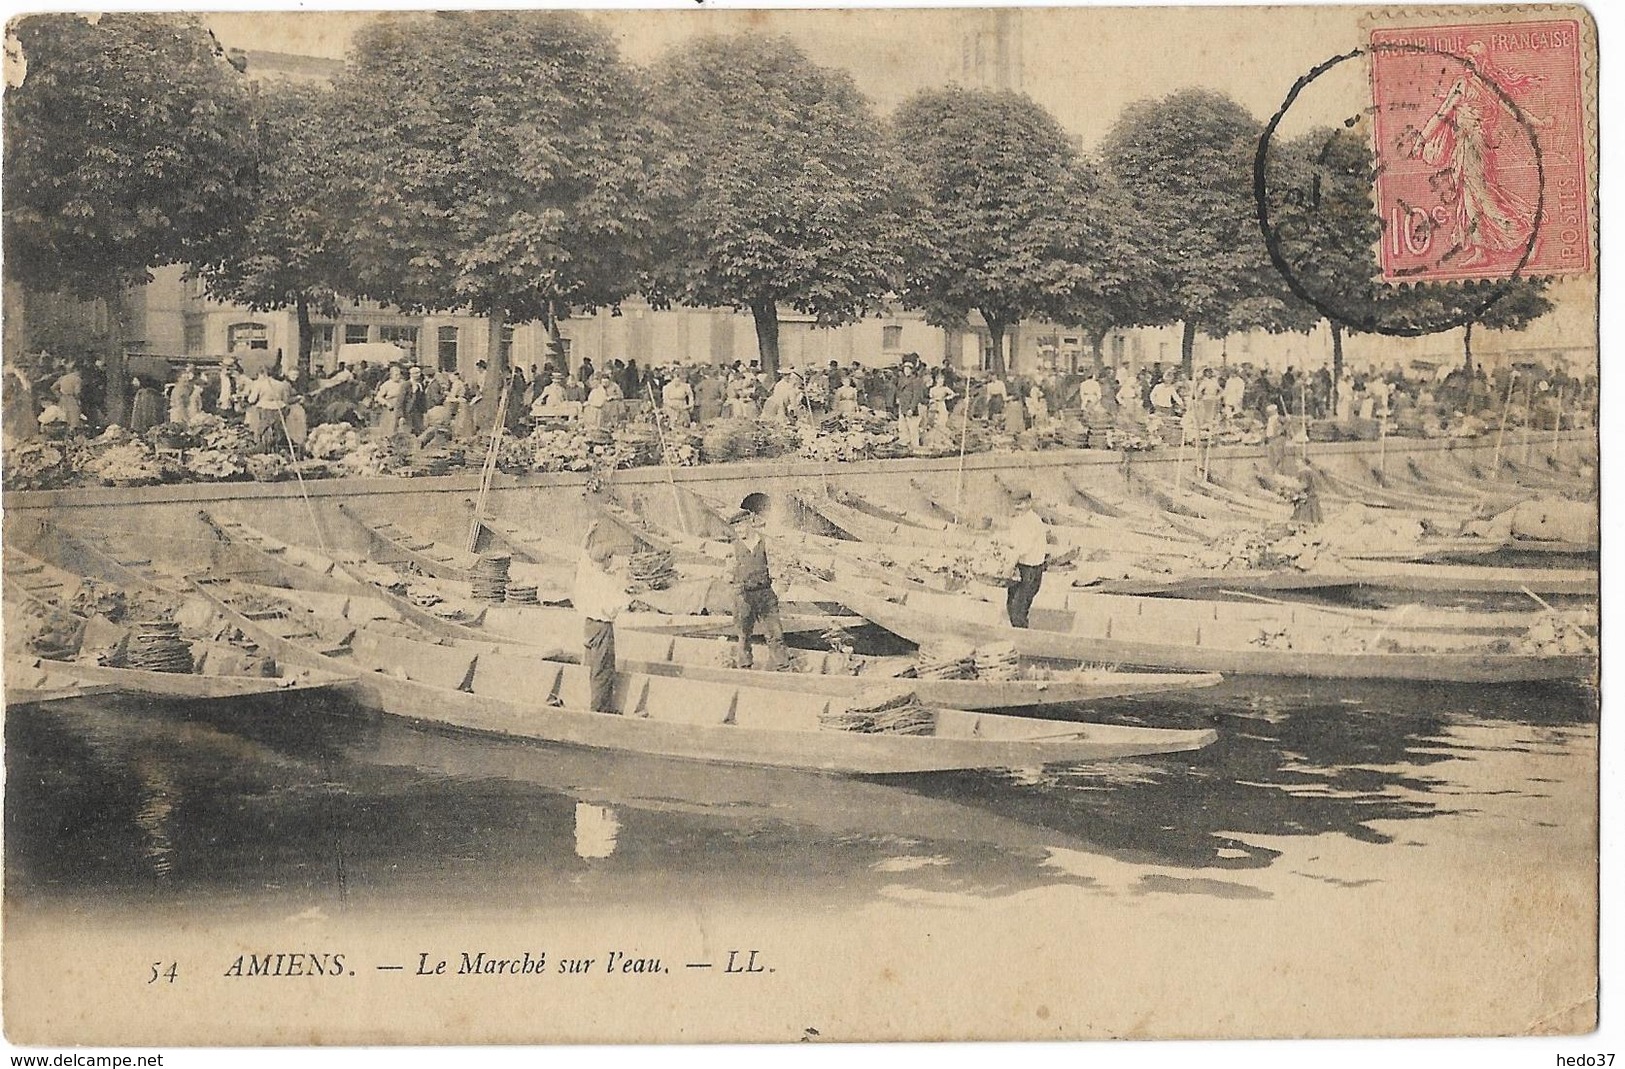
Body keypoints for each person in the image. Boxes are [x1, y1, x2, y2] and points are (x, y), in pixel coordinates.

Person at [575, 525, 630, 713]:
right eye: (611, 558)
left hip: (588, 626)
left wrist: (589, 532)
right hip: (602, 628)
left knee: (592, 667)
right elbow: (617, 606)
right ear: (607, 559)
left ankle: (593, 705)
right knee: (603, 670)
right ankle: (599, 711)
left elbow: (583, 552)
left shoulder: (585, 572)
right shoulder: (606, 582)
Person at [726, 507, 788, 670]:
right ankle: (745, 666)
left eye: (741, 526)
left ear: (750, 523)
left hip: (765, 594)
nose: (739, 531)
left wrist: (780, 588)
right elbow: (727, 573)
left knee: (775, 633)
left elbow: (780, 566)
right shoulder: (734, 547)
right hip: (744, 596)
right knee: (744, 635)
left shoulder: (766, 542)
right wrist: (736, 587)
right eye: (736, 528)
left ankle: (782, 667)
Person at [1005, 490, 1049, 629]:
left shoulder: (1032, 521)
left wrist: (1009, 566)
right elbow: (1013, 542)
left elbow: (1023, 547)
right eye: (1016, 504)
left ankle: (1022, 641)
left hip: (1031, 570)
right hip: (1021, 567)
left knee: (1019, 610)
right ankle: (1019, 635)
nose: (1018, 507)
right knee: (1011, 605)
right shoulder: (1019, 520)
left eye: (1021, 503)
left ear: (1029, 502)